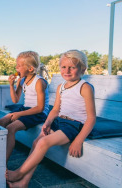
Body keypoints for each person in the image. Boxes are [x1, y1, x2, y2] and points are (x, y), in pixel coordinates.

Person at [6, 50, 96, 187]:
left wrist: (78, 140)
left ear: (83, 68)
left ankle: (19, 173)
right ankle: (23, 183)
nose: (67, 70)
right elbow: (55, 110)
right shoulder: (61, 87)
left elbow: (91, 118)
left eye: (72, 67)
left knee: (43, 143)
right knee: (37, 142)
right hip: (59, 122)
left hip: (74, 125)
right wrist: (47, 123)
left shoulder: (85, 87)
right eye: (64, 67)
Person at [0, 51, 50, 163]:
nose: (16, 68)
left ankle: (3, 163)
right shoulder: (22, 80)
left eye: (19, 66)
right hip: (26, 109)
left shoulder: (39, 82)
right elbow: (15, 99)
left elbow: (40, 108)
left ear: (30, 69)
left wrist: (19, 114)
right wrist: (11, 85)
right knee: (1, 122)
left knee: (11, 128)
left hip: (38, 113)